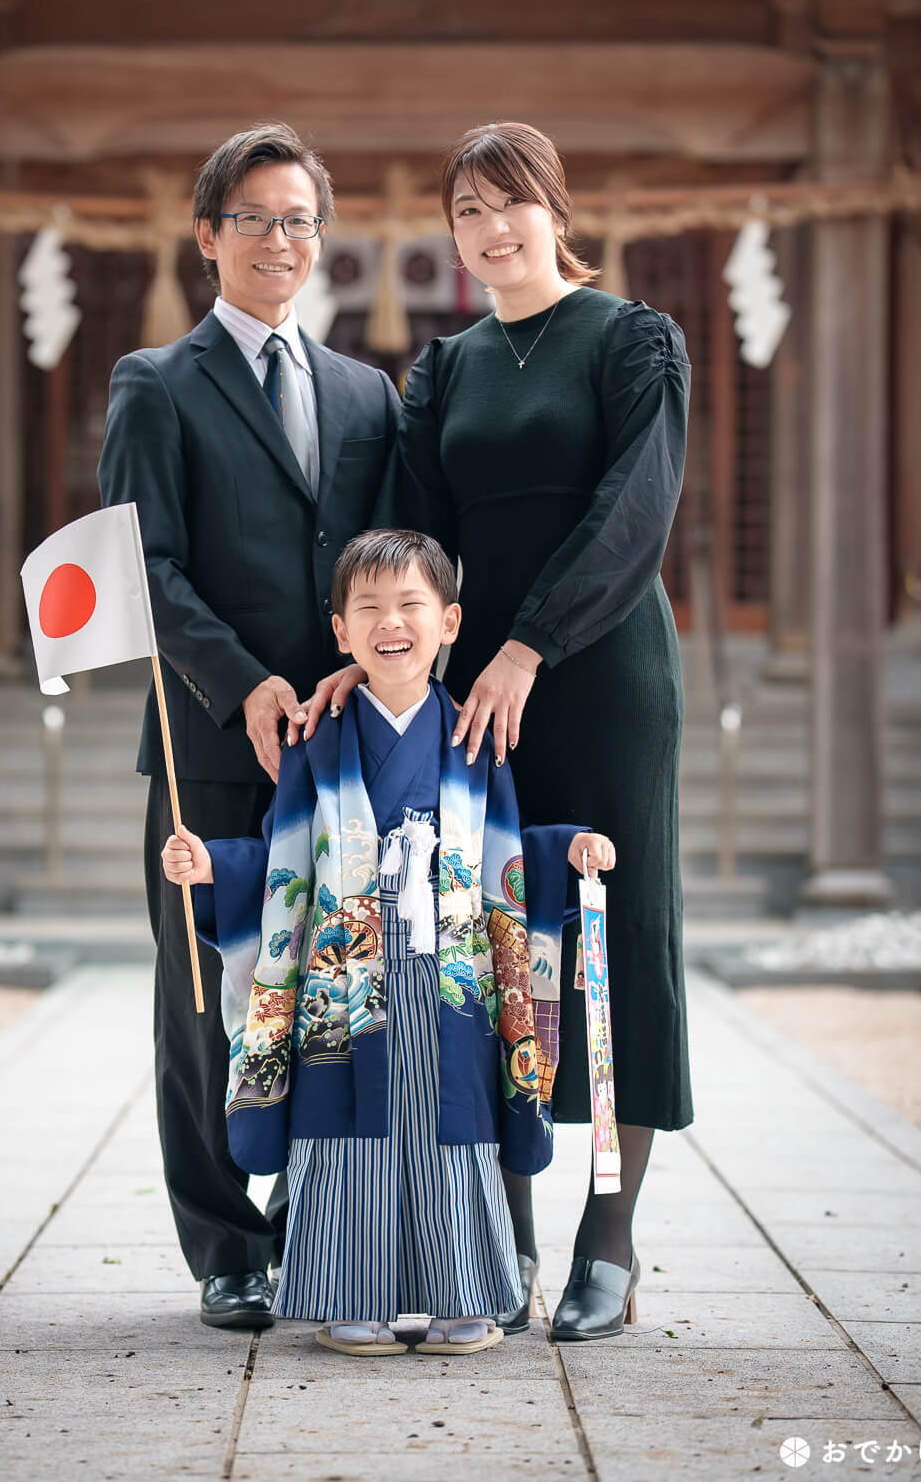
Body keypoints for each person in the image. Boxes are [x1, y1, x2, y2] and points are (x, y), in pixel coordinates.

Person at [298, 122, 693, 1342]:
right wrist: (361, 660)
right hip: (470, 697)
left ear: (552, 208)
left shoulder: (631, 339)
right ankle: (498, 1231)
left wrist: (530, 640)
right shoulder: (447, 368)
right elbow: (409, 539)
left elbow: (640, 508)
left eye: (506, 203)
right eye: (465, 212)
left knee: (609, 944)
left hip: (599, 669)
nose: (488, 230)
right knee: (484, 942)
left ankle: (607, 1239)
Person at [161, 530, 615, 1356]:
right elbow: (283, 862)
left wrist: (571, 848)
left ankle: (463, 1297)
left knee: (455, 1128)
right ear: (339, 630)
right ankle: (349, 1293)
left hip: (453, 975)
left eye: (410, 606)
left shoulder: (474, 735)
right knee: (345, 1132)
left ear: (449, 623)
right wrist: (214, 870)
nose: (389, 623)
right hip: (343, 979)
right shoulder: (314, 741)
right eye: (367, 608)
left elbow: (505, 853)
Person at [97, 124, 399, 1331]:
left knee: (335, 989)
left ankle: (319, 1220)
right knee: (210, 997)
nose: (280, 241)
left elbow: (389, 562)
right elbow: (144, 568)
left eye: (299, 221)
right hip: (209, 749)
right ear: (207, 235)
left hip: (341, 748)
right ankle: (226, 1243)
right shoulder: (155, 383)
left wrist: (349, 682)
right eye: (255, 219)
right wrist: (242, 683)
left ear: (319, 240)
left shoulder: (364, 392)